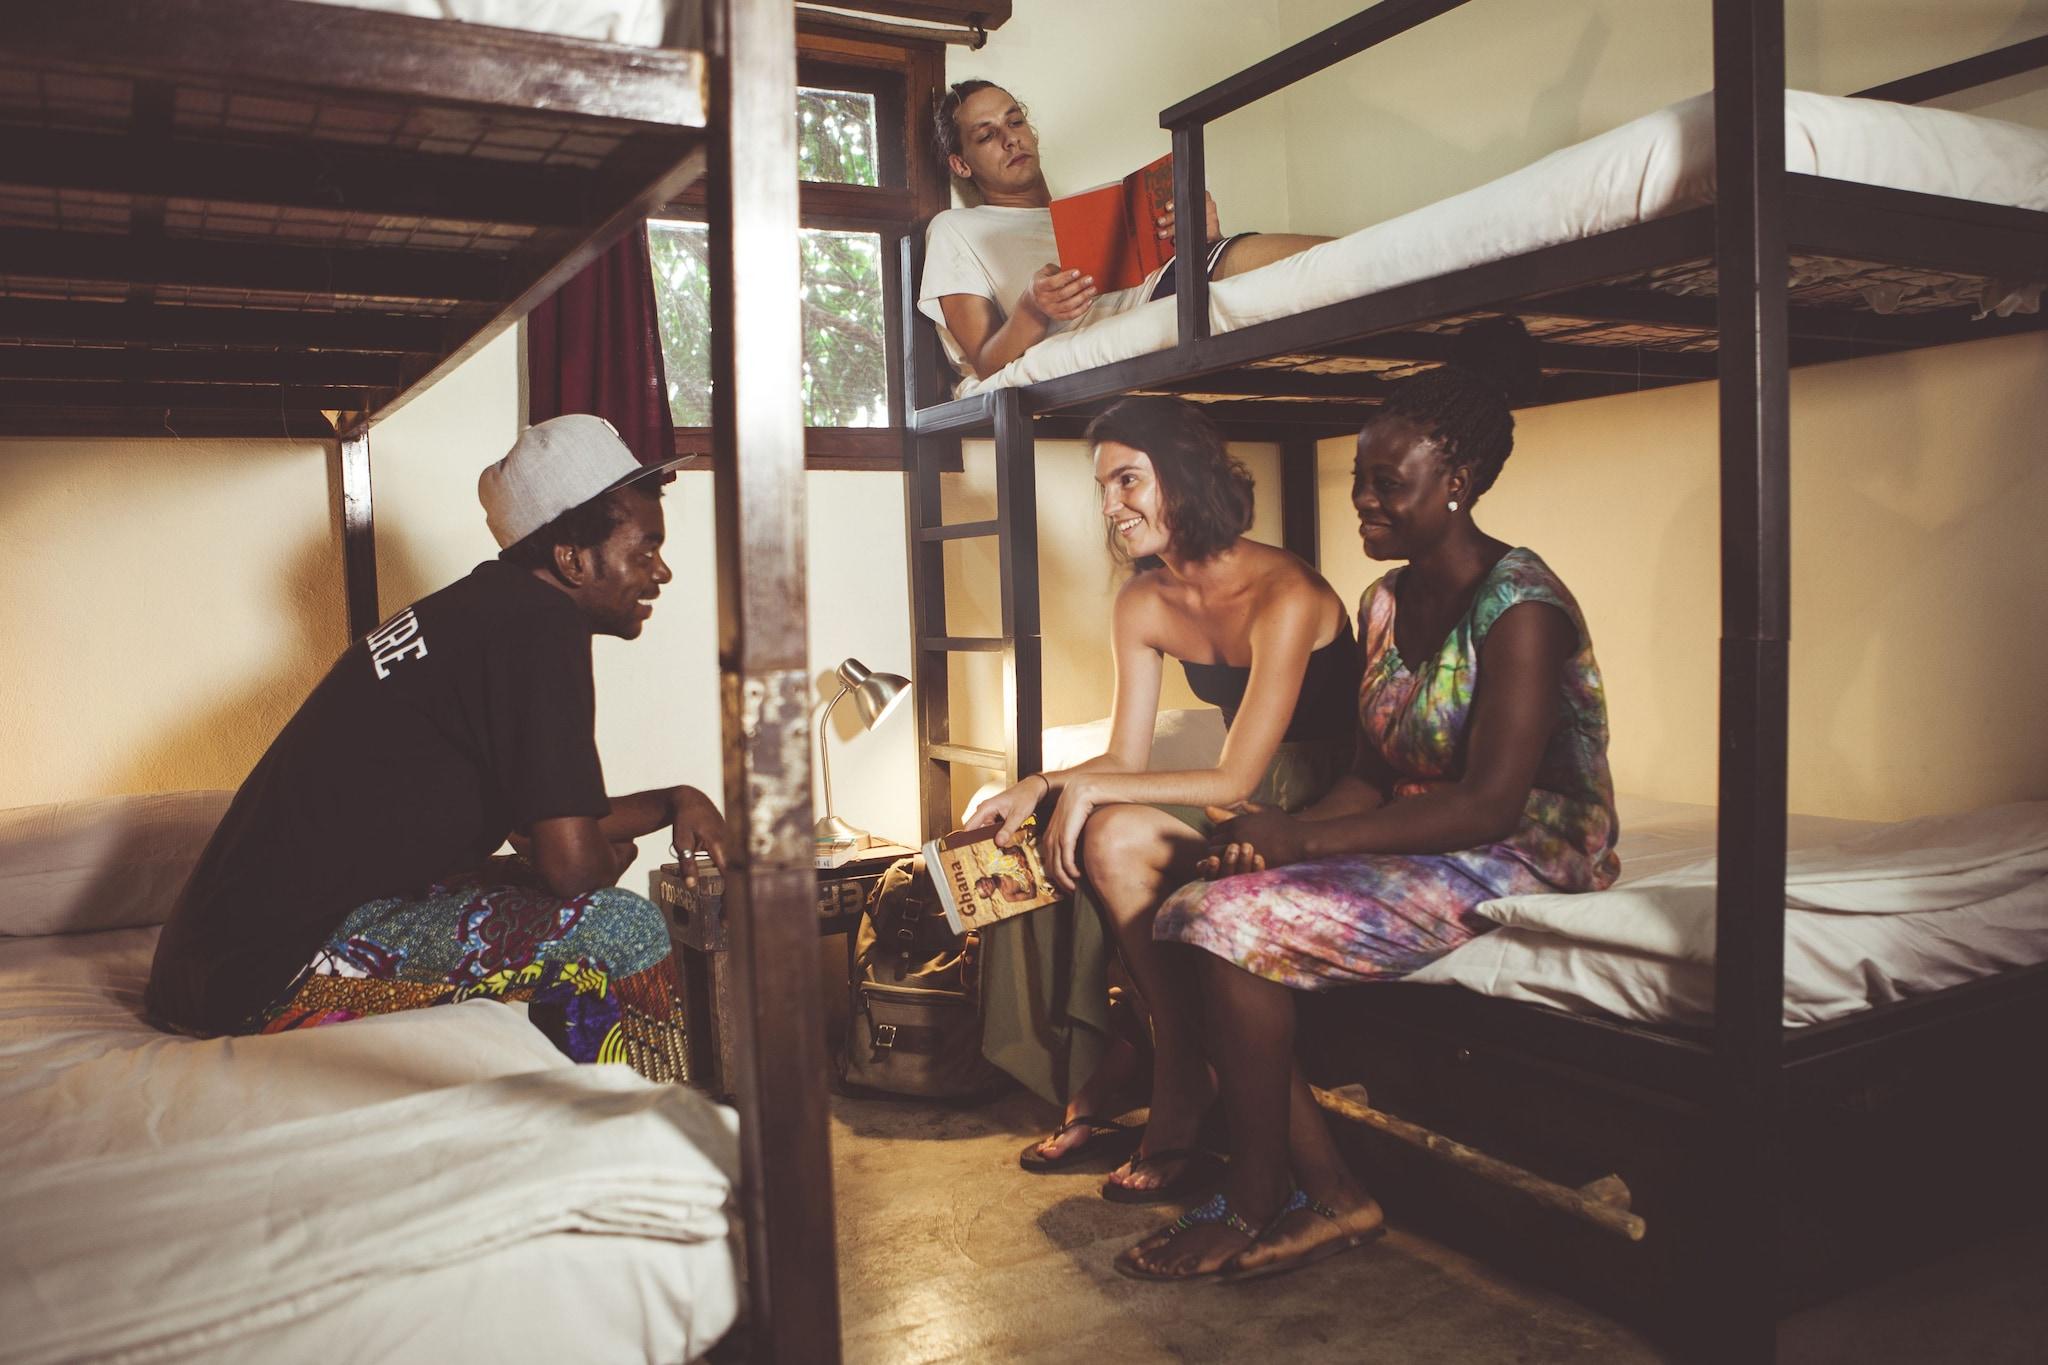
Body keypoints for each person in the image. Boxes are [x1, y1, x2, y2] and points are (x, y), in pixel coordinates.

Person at [1113, 344, 1620, 1281]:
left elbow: (1489, 802)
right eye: (1359, 481)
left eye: (1388, 484)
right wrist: (1267, 838)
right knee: (1198, 899)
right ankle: (1332, 1193)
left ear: (1457, 484)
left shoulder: (1524, 607)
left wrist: (1301, 838)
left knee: (1223, 923)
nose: (1364, 503)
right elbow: (1371, 774)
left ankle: (1263, 1199)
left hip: (1522, 848)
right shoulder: (1383, 603)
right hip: (1429, 832)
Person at [145, 414, 728, 1083]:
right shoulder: (540, 629)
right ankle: (672, 1119)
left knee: (546, 887)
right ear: (571, 557)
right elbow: (570, 863)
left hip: (205, 966)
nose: (662, 571)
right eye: (644, 549)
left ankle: (593, 1095)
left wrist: (673, 802)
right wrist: (585, 859)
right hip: (259, 976)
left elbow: (544, 824)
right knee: (622, 926)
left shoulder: (484, 612)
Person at [965, 395, 1361, 1203]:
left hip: (1315, 804)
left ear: (1183, 477)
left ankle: (1171, 1076)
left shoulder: (1287, 590)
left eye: (1129, 481)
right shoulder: (1144, 601)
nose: (1112, 507)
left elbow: (1237, 782)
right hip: (1228, 795)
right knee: (1055, 829)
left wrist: (1086, 794)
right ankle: (1158, 1059)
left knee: (1103, 827)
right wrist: (1041, 787)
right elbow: (1123, 755)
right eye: (1107, 487)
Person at [919, 81, 1331, 381]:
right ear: (961, 165)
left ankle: (1378, 265)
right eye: (988, 135)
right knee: (1287, 264)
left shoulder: (1086, 212)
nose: (1011, 140)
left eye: (1015, 122)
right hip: (1146, 301)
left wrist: (1198, 236)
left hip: (1172, 278)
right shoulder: (956, 229)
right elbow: (987, 363)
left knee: (1235, 255)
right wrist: (1032, 308)